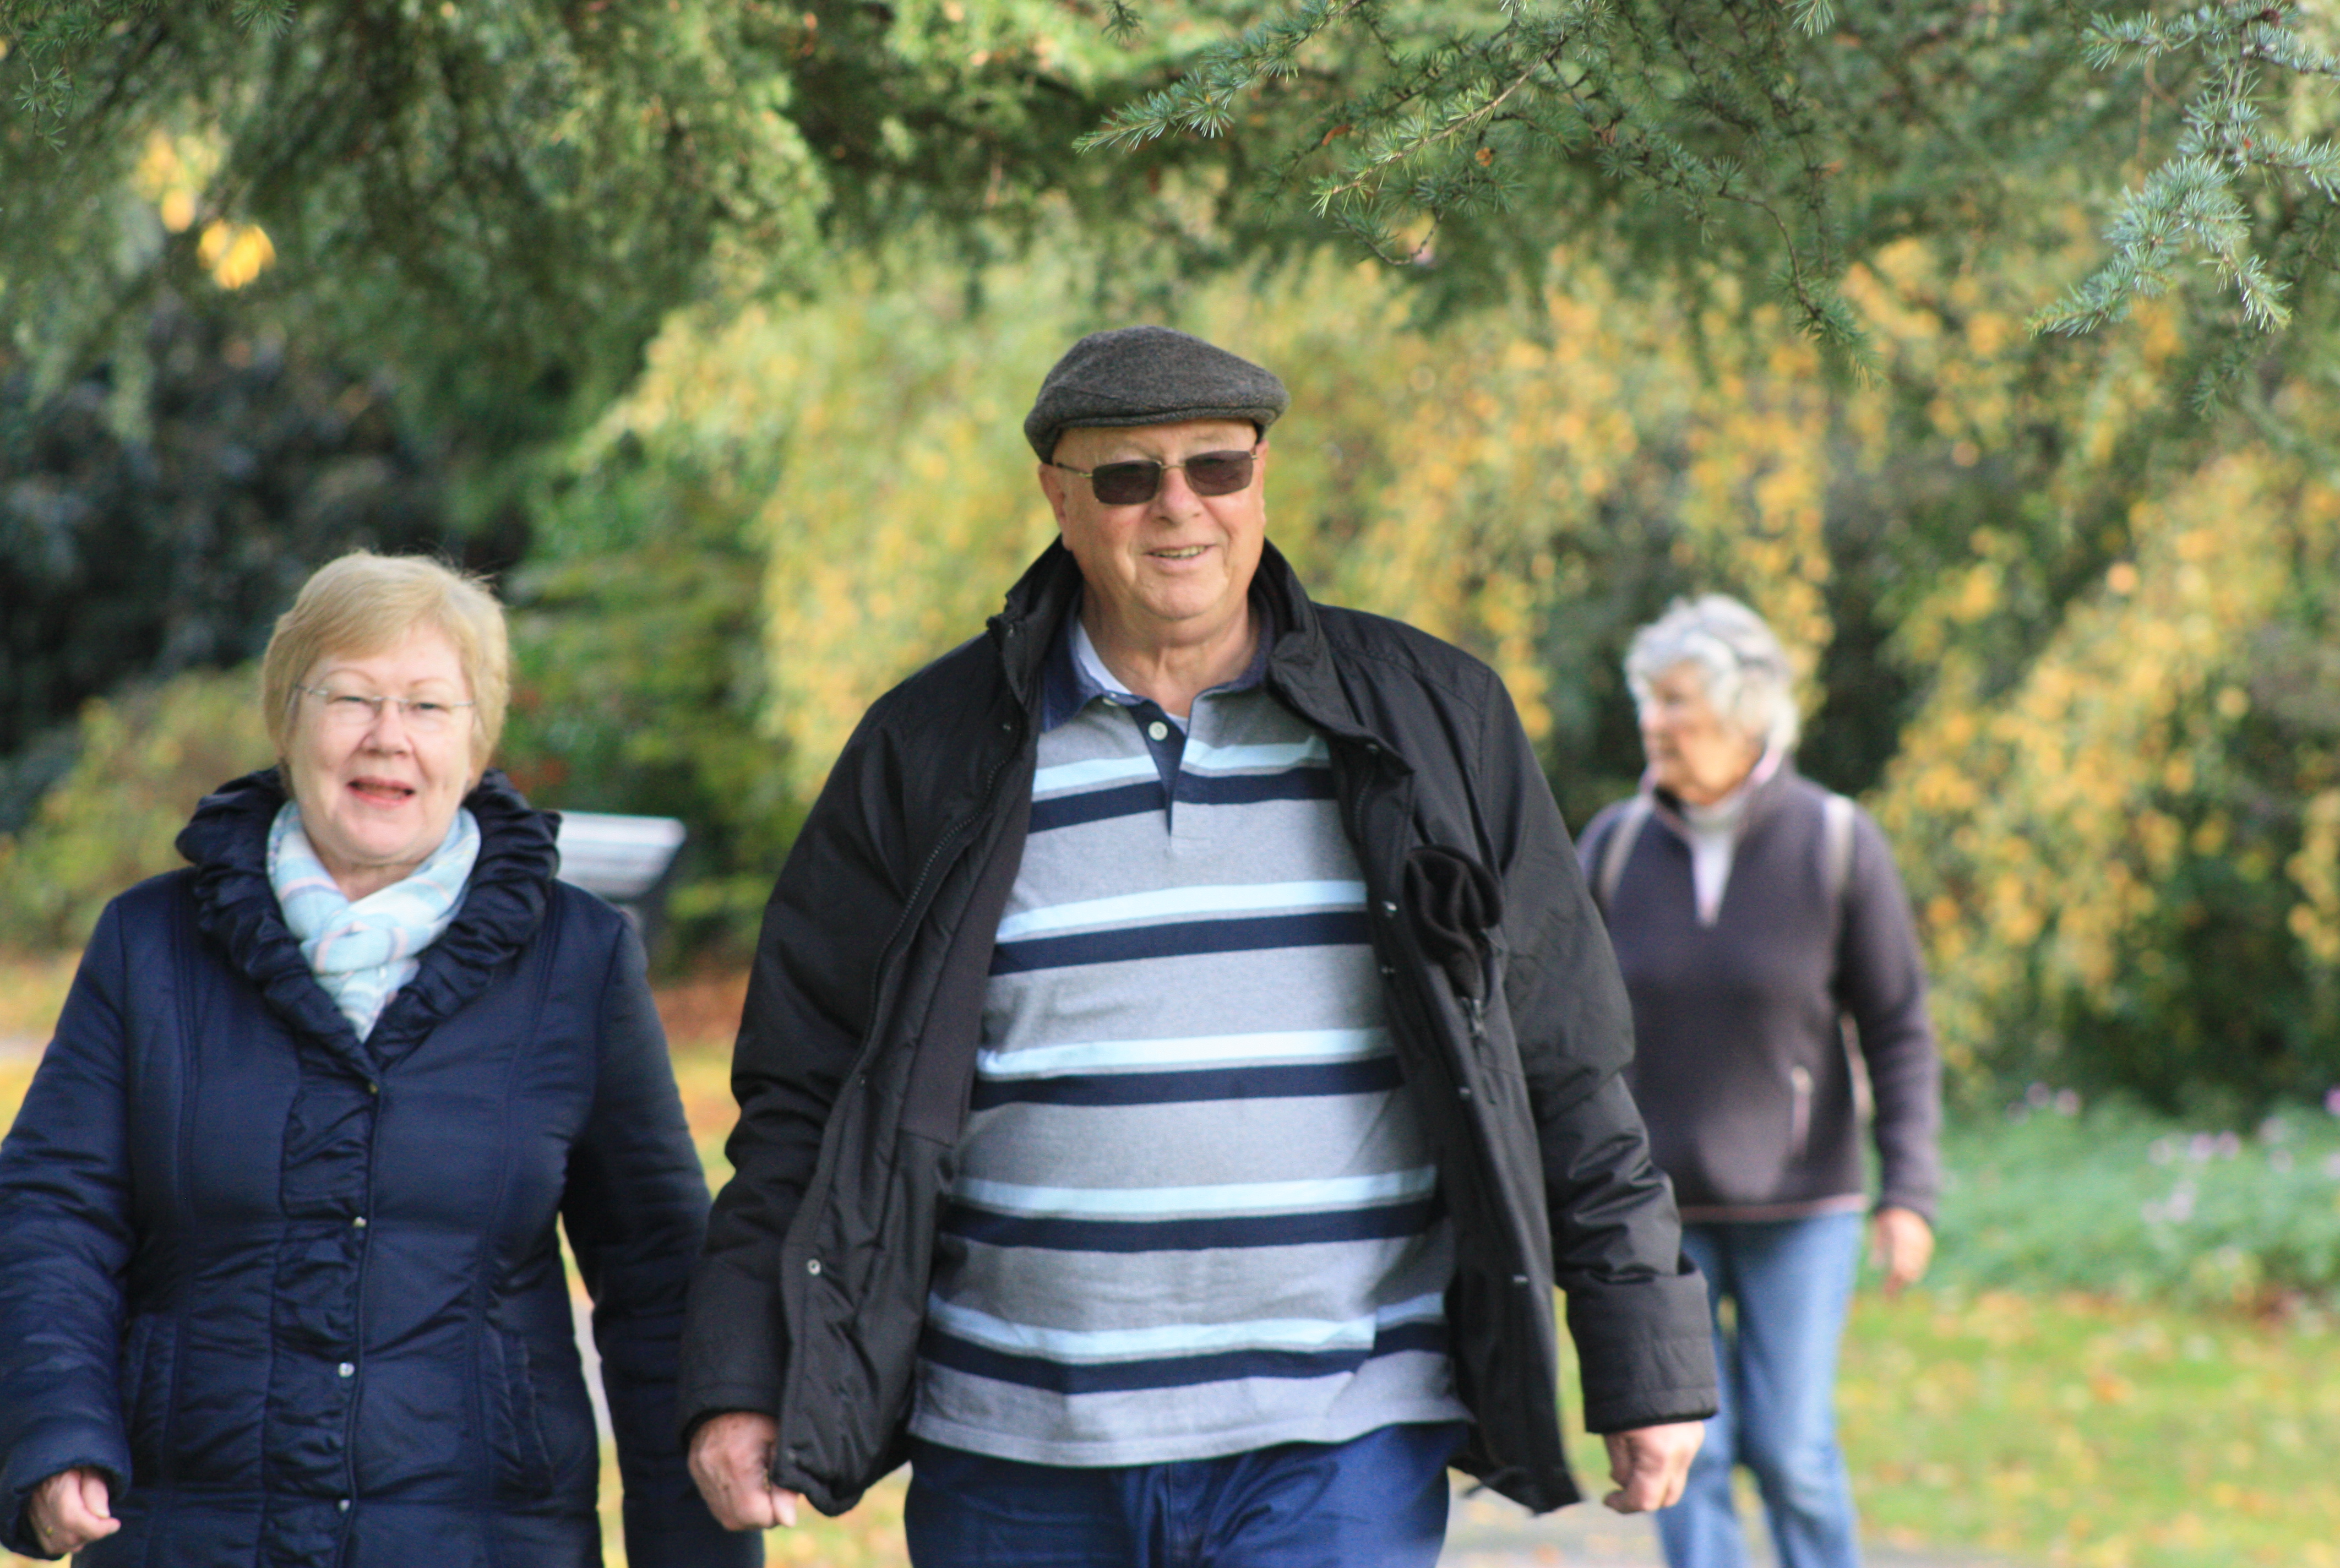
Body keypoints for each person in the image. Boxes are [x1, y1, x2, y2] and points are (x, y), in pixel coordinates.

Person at [678, 325, 1718, 1567]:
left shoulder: (1436, 721)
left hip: (1339, 1441)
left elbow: (1562, 1056)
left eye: (1216, 468)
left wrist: (1644, 1352)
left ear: (1261, 478)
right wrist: (742, 1374)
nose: (1180, 509)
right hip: (1017, 1451)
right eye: (1129, 477)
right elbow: (802, 1090)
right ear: (1060, 499)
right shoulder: (927, 750)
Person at [0, 553, 760, 1568]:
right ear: (287, 718)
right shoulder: (153, 946)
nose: (386, 737)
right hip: (190, 1536)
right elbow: (52, 1216)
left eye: (428, 706)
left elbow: (662, 1280)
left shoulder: (575, 960)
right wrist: (54, 1435)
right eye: (350, 696)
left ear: (478, 739)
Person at [1579, 595, 1941, 1568]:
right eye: (1650, 699)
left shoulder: (1836, 841)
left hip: (1801, 1206)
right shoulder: (1611, 847)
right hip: (1656, 1214)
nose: (1656, 721)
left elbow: (1899, 1029)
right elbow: (1565, 1027)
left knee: (1792, 1451)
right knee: (1687, 1450)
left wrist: (1909, 1194)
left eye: (1679, 700)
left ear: (1748, 714)